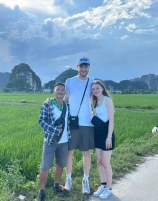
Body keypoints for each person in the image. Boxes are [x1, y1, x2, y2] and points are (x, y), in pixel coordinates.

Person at [64, 56, 94, 194]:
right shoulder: (69, 82)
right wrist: (51, 102)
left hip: (87, 122)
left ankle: (85, 181)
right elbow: (64, 99)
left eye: (86, 66)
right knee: (69, 152)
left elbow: (98, 99)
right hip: (73, 122)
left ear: (89, 67)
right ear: (77, 67)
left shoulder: (92, 82)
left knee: (86, 152)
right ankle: (68, 179)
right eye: (81, 66)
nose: (83, 69)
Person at [36, 83, 70, 201]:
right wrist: (55, 130)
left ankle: (56, 185)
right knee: (45, 166)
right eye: (58, 90)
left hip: (64, 141)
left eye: (63, 90)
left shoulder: (67, 105)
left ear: (65, 93)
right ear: (54, 92)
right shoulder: (47, 104)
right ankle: (41, 191)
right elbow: (41, 121)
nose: (60, 91)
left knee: (60, 164)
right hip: (50, 141)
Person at [91, 80, 115, 199]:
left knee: (106, 162)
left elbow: (111, 120)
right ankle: (103, 185)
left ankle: (109, 188)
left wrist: (109, 137)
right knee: (99, 161)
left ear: (102, 88)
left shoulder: (107, 100)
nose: (95, 90)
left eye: (97, 88)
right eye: (93, 89)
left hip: (106, 134)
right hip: (97, 134)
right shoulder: (94, 101)